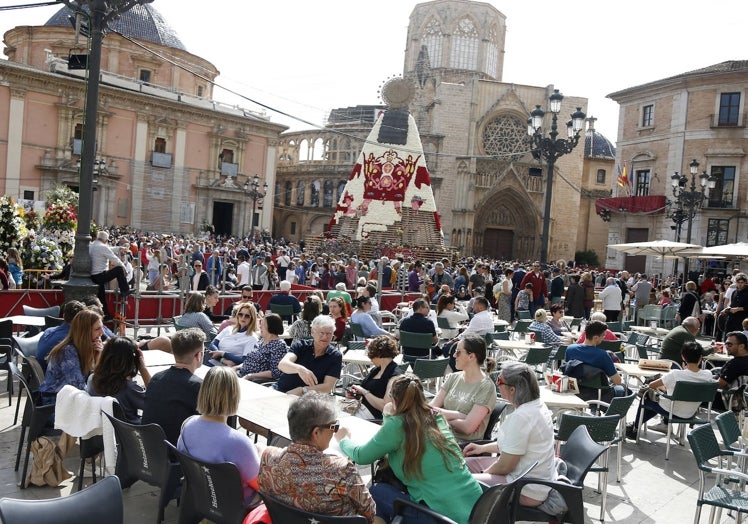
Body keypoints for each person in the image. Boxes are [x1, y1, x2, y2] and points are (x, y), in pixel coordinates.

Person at [336, 374, 483, 523]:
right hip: (477, 510)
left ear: (393, 400)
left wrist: (343, 439)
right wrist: (390, 415)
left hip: (441, 516)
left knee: (376, 491)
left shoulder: (398, 425)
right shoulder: (437, 417)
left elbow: (361, 456)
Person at [258, 392, 380, 523]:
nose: (335, 431)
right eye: (334, 426)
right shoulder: (342, 470)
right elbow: (370, 513)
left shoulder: (268, 458)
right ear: (316, 433)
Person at [463, 362, 558, 510]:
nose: (496, 383)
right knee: (461, 466)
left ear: (512, 389)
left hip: (526, 489)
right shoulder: (536, 405)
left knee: (461, 483)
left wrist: (484, 473)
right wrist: (482, 448)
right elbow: (514, 445)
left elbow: (505, 466)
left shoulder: (522, 417)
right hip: (531, 479)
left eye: (499, 380)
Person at [178, 366, 261, 506]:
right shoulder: (239, 442)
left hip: (200, 496)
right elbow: (260, 485)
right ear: (234, 396)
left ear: (204, 392)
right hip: (234, 506)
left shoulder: (187, 425)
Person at [626, 341, 715, 440]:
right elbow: (692, 377)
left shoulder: (676, 374)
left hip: (671, 411)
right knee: (662, 396)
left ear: (683, 357)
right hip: (690, 413)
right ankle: (639, 426)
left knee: (647, 397)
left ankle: (635, 428)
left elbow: (652, 385)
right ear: (700, 358)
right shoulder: (708, 375)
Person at [142, 328, 205, 445]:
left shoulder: (156, 378)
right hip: (178, 456)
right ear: (199, 355)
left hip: (150, 451)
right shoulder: (199, 387)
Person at [430, 334, 497, 441]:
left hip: (462, 446)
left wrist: (440, 417)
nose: (454, 356)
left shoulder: (486, 387)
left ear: (471, 356)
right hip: (441, 438)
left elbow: (467, 428)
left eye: (458, 352)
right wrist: (462, 416)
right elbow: (430, 410)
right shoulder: (453, 377)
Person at [38, 309, 104, 404]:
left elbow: (91, 382)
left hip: (68, 399)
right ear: (84, 332)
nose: (102, 332)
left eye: (102, 327)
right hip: (53, 402)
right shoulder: (67, 351)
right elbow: (79, 388)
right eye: (97, 329)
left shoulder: (85, 348)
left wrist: (97, 359)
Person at [87, 336, 149, 424]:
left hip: (102, 431)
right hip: (129, 433)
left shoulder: (92, 379)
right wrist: (143, 369)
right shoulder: (129, 388)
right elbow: (155, 401)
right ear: (132, 361)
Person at [274, 315, 342, 395]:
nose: (325, 337)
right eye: (322, 333)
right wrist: (300, 369)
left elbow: (327, 387)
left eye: (329, 334)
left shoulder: (335, 356)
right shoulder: (301, 345)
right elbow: (282, 364)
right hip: (279, 390)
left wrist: (302, 390)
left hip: (307, 400)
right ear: (312, 332)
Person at [347, 335, 404, 421]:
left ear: (379, 354)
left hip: (372, 416)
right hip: (360, 409)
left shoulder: (394, 376)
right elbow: (369, 391)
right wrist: (356, 394)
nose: (370, 359)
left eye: (371, 355)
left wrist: (364, 392)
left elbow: (386, 406)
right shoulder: (376, 370)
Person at [564, 320, 625, 400]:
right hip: (598, 395)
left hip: (574, 392)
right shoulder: (602, 355)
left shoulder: (570, 349)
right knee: (623, 389)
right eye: (603, 335)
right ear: (595, 337)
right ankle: (612, 412)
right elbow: (617, 381)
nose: (604, 337)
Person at [89, 230, 131, 318]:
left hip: (92, 276)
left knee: (101, 296)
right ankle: (125, 290)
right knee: (119, 269)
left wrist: (119, 248)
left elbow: (108, 249)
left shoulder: (91, 245)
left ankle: (106, 315)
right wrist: (124, 268)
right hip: (100, 275)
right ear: (105, 240)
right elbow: (115, 259)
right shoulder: (103, 247)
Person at [36, 300, 86, 372]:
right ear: (81, 319)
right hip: (54, 377)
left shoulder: (48, 331)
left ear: (63, 315)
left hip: (39, 374)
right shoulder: (71, 339)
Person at [237, 313, 288, 382]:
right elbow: (251, 361)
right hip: (242, 374)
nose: (260, 326)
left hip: (255, 381)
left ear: (271, 327)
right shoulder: (261, 341)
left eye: (263, 324)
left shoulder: (279, 345)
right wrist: (236, 367)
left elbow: (275, 373)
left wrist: (250, 376)